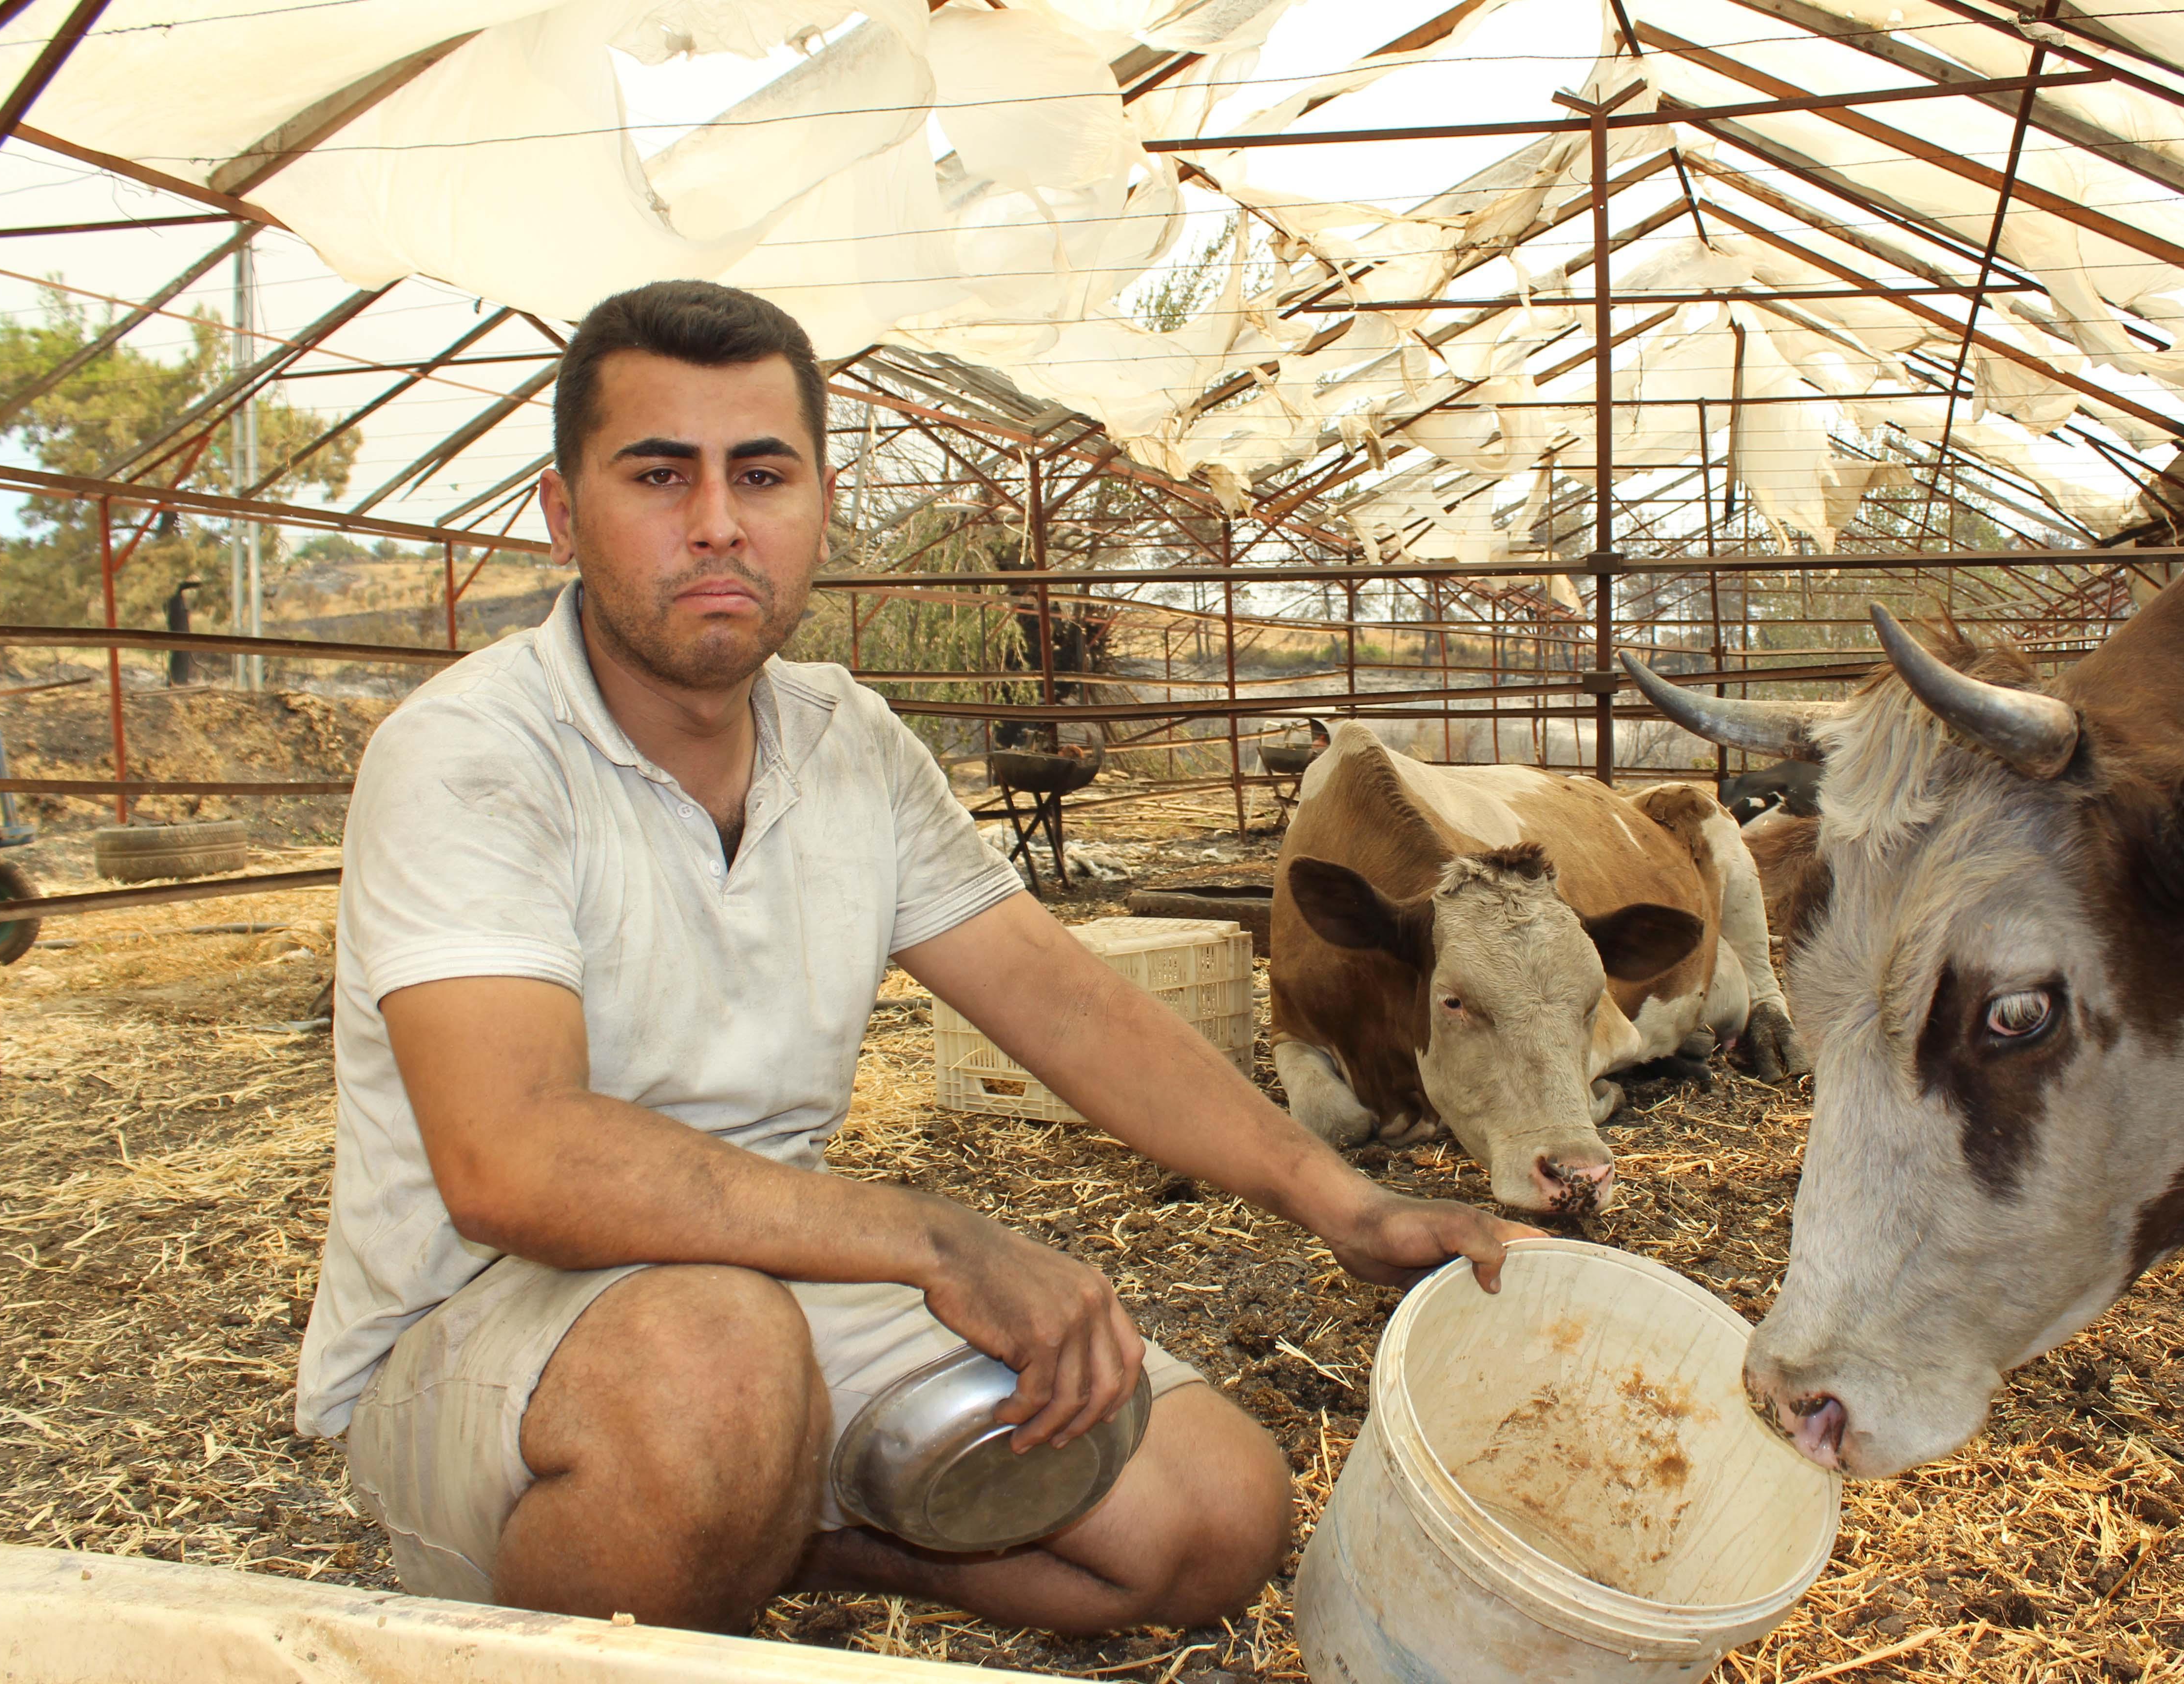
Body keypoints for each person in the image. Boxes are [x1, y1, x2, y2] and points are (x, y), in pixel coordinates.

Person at [296, 281, 1536, 1637]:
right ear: (561, 511)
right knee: (716, 1367)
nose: (716, 522)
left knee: (1212, 1513)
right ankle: (642, 1536)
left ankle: (750, 1518)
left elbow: (1065, 1002)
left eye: (759, 474)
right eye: (659, 474)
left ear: (820, 508)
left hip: (767, 1295)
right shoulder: (472, 754)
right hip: (489, 1334)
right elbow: (511, 1163)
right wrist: (934, 1237)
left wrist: (1341, 1204)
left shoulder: (850, 743)